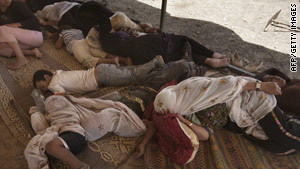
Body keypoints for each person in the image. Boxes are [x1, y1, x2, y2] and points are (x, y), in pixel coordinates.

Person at [134, 75, 300, 158]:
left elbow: (228, 83)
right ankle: (292, 121)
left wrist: (260, 85)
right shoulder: (184, 110)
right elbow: (159, 121)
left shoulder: (193, 90)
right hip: (237, 117)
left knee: (282, 134)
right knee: (278, 147)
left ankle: (288, 123)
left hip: (250, 98)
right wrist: (143, 143)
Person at [25, 93, 147, 169]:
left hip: (76, 134)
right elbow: (92, 104)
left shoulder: (131, 116)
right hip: (68, 126)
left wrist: (143, 143)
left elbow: (146, 127)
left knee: (51, 146)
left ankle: (80, 166)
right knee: (41, 143)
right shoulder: (114, 105)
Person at [97, 15, 230, 67]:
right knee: (184, 40)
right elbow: (137, 31)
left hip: (143, 53)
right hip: (148, 45)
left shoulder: (107, 43)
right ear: (109, 28)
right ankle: (212, 54)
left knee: (178, 52)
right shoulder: (116, 35)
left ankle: (208, 61)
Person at [32, 56, 202, 95]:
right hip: (102, 71)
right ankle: (185, 64)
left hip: (103, 76)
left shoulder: (54, 82)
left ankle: (155, 61)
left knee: (137, 76)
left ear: (47, 78)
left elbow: (59, 96)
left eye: (42, 87)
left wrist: (47, 99)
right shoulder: (59, 74)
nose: (45, 90)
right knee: (143, 75)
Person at [54, 27, 132, 68]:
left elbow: (57, 46)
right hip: (85, 41)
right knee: (101, 53)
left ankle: (112, 61)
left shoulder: (63, 32)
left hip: (76, 44)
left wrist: (59, 36)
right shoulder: (78, 30)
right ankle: (124, 59)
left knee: (86, 59)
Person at [0, 0, 43, 69]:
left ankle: (21, 58)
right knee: (1, 49)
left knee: (2, 28)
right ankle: (31, 52)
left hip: (35, 35)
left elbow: (34, 19)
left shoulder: (17, 5)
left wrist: (17, 24)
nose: (7, 0)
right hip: (21, 38)